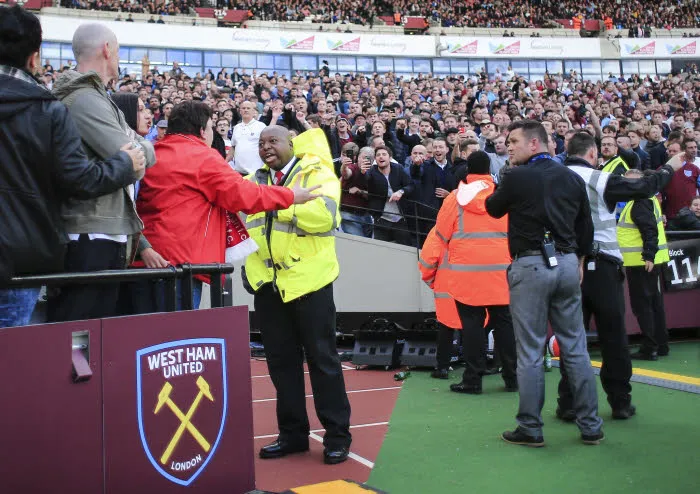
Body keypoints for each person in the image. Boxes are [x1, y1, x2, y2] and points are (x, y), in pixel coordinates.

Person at [0, 6, 144, 328]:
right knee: (12, 364)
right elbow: (78, 179)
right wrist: (125, 163)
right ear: (35, 57)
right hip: (20, 255)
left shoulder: (53, 106)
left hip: (25, 251)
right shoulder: (49, 109)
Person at [485, 120, 604, 447]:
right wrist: (578, 260)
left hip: (531, 264)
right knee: (576, 348)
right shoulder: (570, 176)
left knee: (531, 352)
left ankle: (531, 428)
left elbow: (492, 208)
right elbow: (586, 226)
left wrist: (506, 176)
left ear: (534, 144)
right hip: (567, 263)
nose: (508, 147)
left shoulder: (517, 176)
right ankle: (591, 426)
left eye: (513, 141)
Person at [136, 103, 321, 310]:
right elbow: (243, 195)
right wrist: (289, 195)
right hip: (179, 265)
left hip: (146, 258)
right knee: (174, 337)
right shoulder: (201, 156)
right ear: (201, 130)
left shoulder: (153, 151)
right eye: (210, 127)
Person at [244, 126, 352, 465]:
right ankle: (292, 436)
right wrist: (251, 272)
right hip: (269, 285)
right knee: (280, 364)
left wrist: (282, 202)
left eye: (272, 141)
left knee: (323, 361)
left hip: (310, 283)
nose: (266, 147)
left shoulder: (316, 171)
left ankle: (337, 436)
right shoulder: (252, 179)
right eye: (261, 143)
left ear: (292, 143)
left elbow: (326, 216)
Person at [559, 132, 680, 421]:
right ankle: (620, 402)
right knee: (613, 336)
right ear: (592, 154)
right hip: (602, 265)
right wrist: (669, 167)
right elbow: (645, 187)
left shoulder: (553, 177)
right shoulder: (600, 179)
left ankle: (568, 403)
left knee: (572, 338)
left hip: (566, 264)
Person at [48, 22, 157, 322]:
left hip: (101, 230)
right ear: (107, 50)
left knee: (94, 335)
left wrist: (138, 147)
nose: (119, 59)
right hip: (91, 234)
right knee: (78, 333)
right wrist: (141, 147)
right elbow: (132, 158)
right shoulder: (85, 99)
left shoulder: (98, 97)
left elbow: (136, 151)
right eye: (119, 51)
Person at [419, 152, 517, 393]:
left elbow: (440, 235)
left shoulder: (454, 199)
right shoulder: (503, 196)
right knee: (505, 325)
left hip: (466, 274)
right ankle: (513, 378)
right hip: (500, 272)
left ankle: (473, 380)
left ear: (466, 170)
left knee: (472, 327)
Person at [617, 169, 670, 360]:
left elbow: (649, 231)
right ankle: (660, 344)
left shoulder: (638, 202)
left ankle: (649, 347)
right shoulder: (647, 200)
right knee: (654, 303)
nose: (626, 186)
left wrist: (648, 255)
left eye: (630, 183)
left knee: (643, 306)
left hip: (641, 262)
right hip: (648, 260)